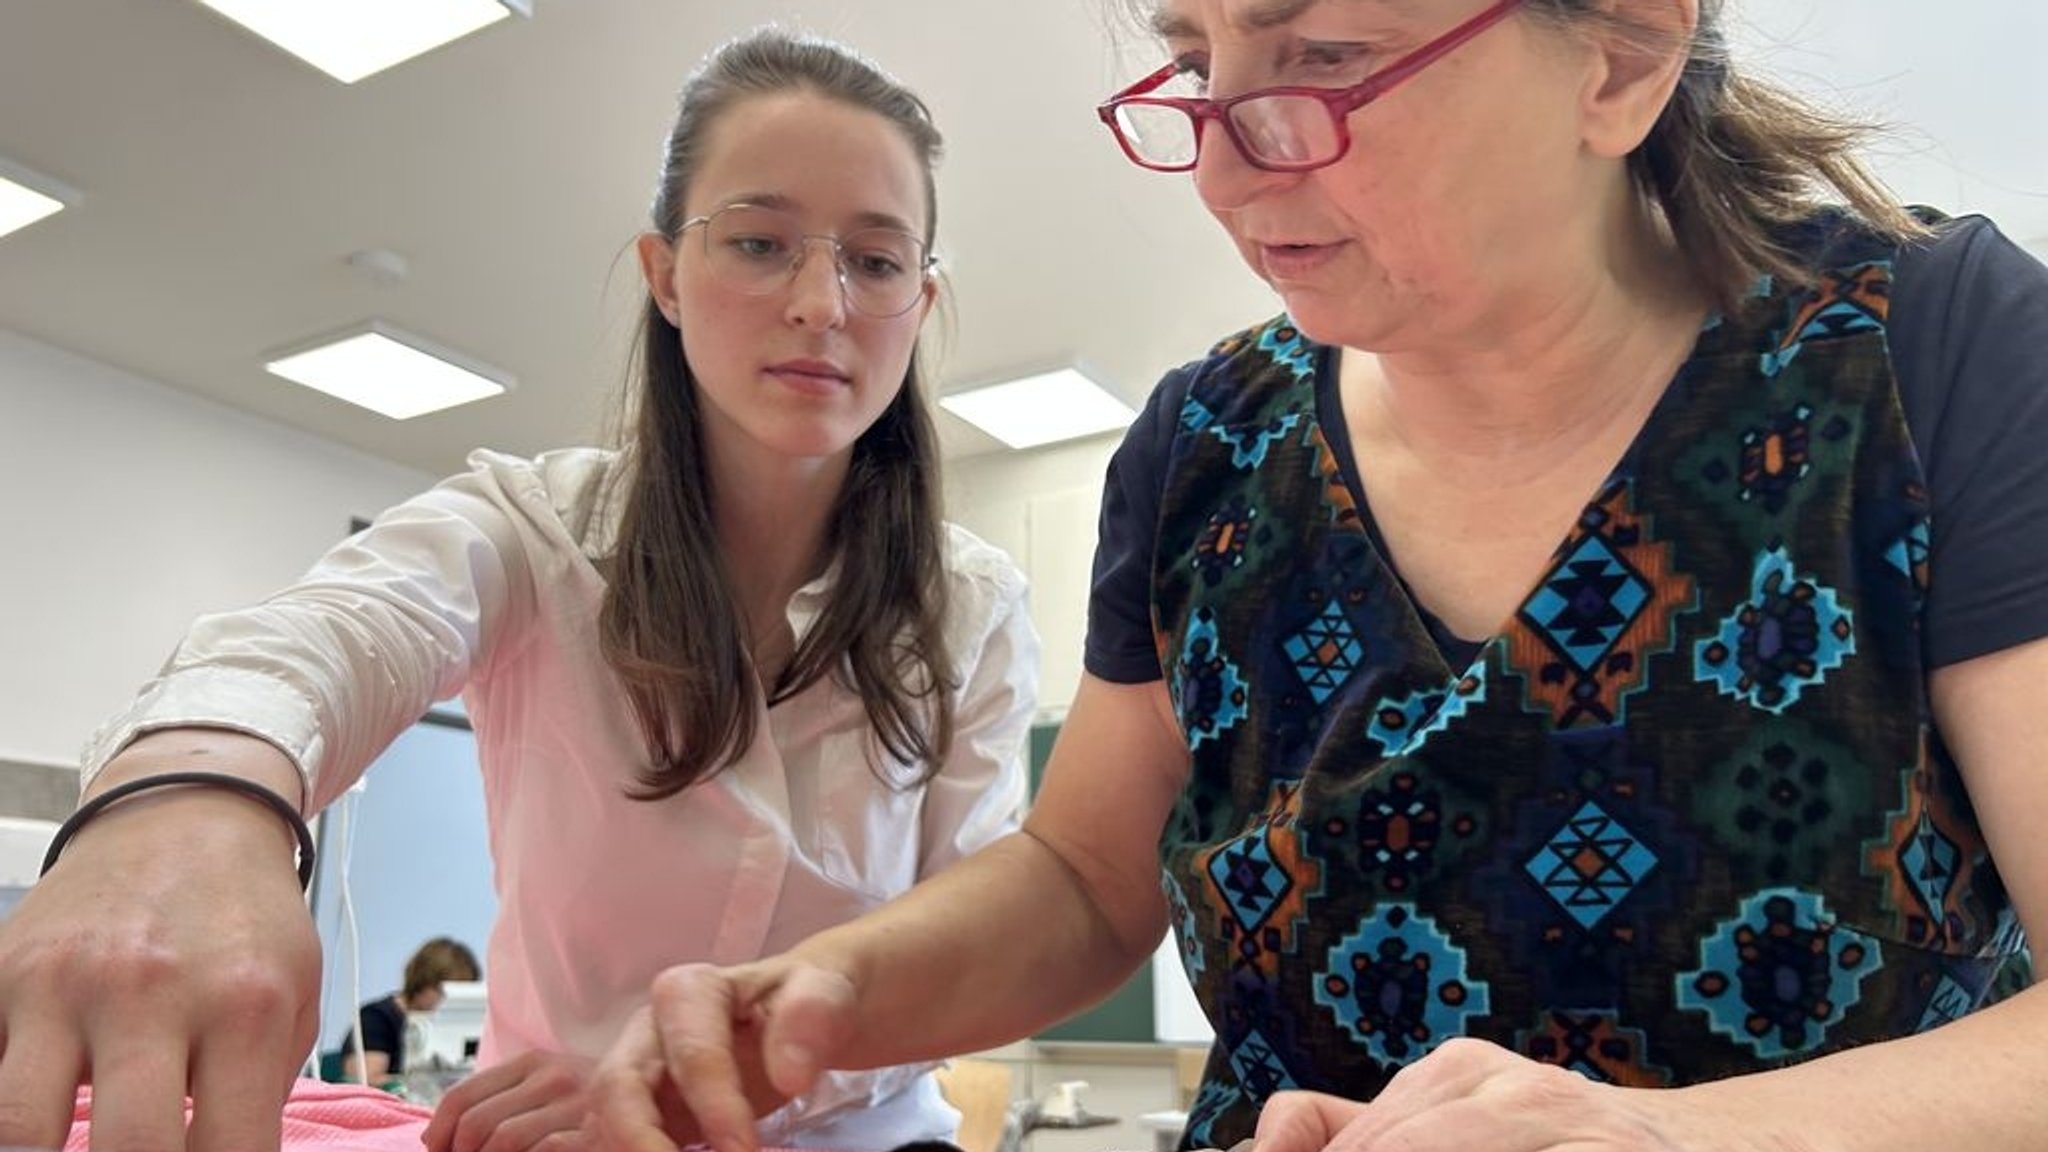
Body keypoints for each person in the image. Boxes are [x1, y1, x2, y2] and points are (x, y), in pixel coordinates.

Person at [591, 2, 2048, 1151]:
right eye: (1193, 63)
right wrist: (843, 985)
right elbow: (1086, 881)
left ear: (1620, 55)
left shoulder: (1931, 356)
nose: (1224, 163)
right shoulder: (1205, 445)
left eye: (1326, 57)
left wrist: (1662, 1135)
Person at [0, 27, 1038, 1152]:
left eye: (876, 262)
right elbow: (329, 636)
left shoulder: (969, 606)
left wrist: (690, 1079)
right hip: (546, 1134)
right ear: (665, 277)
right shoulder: (529, 531)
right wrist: (189, 805)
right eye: (757, 241)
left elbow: (974, 935)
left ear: (919, 305)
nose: (820, 303)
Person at [334, 936, 482, 1086]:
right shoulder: (374, 1019)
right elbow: (366, 1080)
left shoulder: (452, 1027)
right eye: (444, 992)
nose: (450, 1001)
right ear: (421, 982)